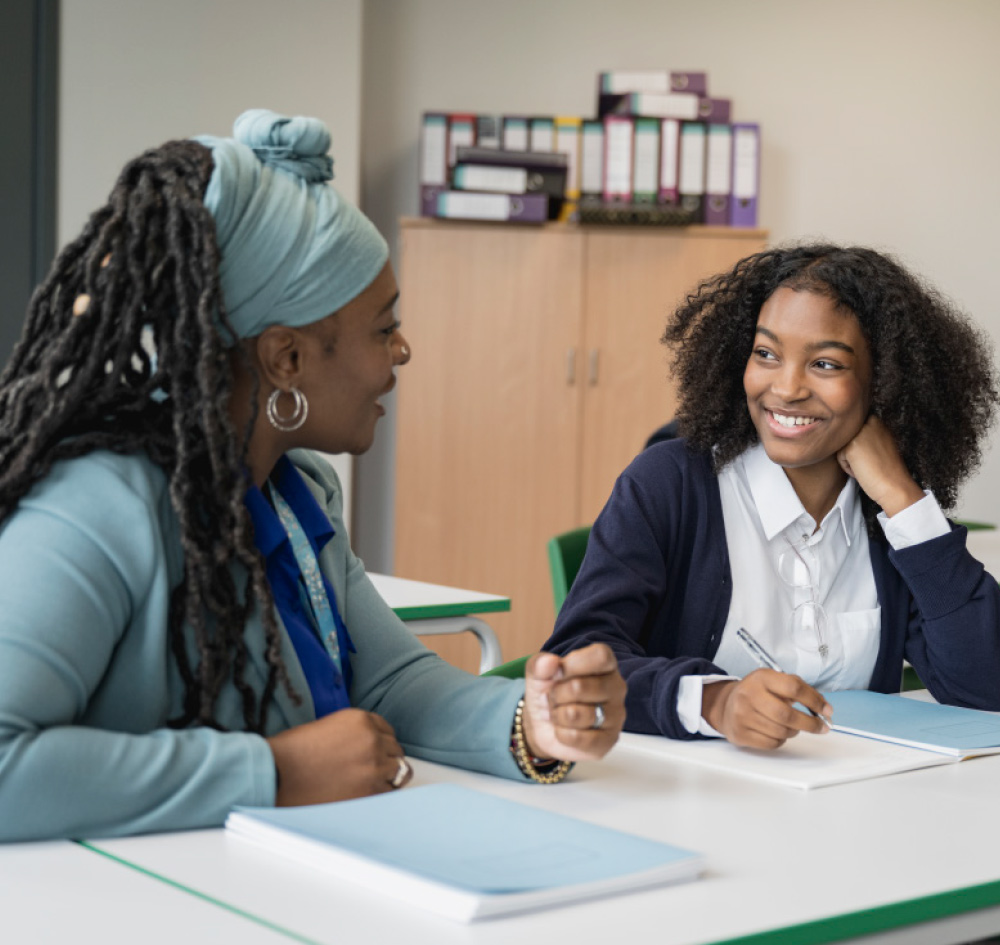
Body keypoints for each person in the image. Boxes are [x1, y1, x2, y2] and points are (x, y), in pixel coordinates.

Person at [0, 109, 626, 843]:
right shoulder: (97, 505)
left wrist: (535, 722)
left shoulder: (297, 493)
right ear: (286, 359)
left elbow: (390, 682)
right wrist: (273, 771)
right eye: (381, 327)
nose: (403, 350)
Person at [545, 243, 1000, 750]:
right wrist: (714, 702)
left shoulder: (888, 518)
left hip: (857, 805)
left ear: (887, 383)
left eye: (825, 364)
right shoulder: (670, 483)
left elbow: (984, 689)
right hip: (686, 800)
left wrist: (902, 498)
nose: (785, 388)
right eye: (766, 354)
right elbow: (578, 660)